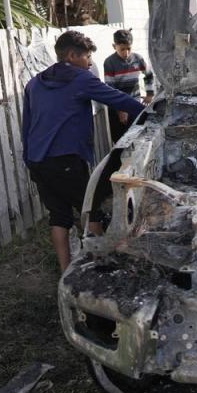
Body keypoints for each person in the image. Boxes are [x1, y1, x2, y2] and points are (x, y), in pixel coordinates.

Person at [22, 30, 146, 271]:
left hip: (37, 161)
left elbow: (26, 126)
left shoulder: (34, 82)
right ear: (71, 55)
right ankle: (101, 267)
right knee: (92, 211)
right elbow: (119, 99)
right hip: (65, 160)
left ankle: (65, 271)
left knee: (58, 216)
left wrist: (28, 158)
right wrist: (152, 111)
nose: (90, 63)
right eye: (87, 57)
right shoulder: (81, 79)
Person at [103, 29, 154, 143]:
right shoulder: (109, 63)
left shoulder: (138, 58)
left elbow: (149, 75)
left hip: (133, 105)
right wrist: (120, 111)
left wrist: (149, 94)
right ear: (114, 46)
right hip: (117, 108)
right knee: (120, 142)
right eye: (122, 49)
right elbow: (111, 89)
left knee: (136, 139)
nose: (126, 53)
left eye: (128, 49)